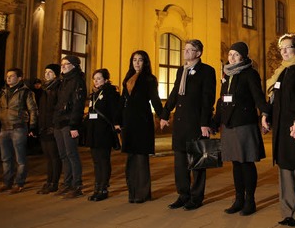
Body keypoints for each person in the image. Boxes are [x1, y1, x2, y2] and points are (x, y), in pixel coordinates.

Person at [262, 34, 295, 227]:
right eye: (281, 48)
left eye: (287, 47)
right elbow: (275, 97)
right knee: (285, 167)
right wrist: (266, 115)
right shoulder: (282, 71)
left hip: (294, 125)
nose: (283, 51)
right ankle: (288, 211)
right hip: (282, 126)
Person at [160, 39, 216, 211]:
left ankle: (196, 196)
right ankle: (183, 195)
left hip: (196, 123)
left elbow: (208, 99)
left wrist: (205, 123)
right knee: (180, 163)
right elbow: (174, 93)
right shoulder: (181, 71)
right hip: (180, 123)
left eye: (189, 50)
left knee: (197, 162)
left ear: (198, 53)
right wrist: (165, 114)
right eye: (185, 49)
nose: (185, 52)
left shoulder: (206, 71)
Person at [215, 42, 267, 216]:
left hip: (244, 123)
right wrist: (215, 121)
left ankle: (250, 201)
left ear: (243, 57)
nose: (232, 57)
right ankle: (238, 199)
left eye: (236, 54)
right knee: (236, 164)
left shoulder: (249, 74)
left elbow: (258, 97)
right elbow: (222, 101)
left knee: (246, 163)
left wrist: (266, 114)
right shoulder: (227, 75)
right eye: (230, 54)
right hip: (229, 124)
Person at [119, 50, 164, 203]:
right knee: (130, 158)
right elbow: (122, 100)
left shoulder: (150, 79)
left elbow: (155, 99)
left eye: (140, 60)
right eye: (134, 60)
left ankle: (143, 193)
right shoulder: (127, 78)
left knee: (141, 158)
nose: (137, 63)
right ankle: (132, 192)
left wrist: (162, 115)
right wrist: (117, 120)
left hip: (142, 121)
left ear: (145, 62)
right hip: (129, 121)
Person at [0, 68, 38, 193]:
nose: (8, 78)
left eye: (11, 76)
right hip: (4, 128)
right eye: (7, 76)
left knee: (20, 159)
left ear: (19, 78)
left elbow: (33, 110)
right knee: (6, 158)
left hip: (18, 128)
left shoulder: (26, 92)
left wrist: (32, 126)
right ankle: (6, 182)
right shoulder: (2, 92)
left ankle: (19, 183)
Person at [84, 68, 120, 201]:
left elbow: (115, 111)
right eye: (94, 79)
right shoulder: (93, 95)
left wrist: (117, 123)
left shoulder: (111, 93)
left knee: (103, 160)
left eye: (99, 78)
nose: (96, 81)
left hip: (104, 132)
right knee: (96, 161)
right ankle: (97, 187)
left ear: (105, 80)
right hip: (94, 131)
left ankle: (103, 188)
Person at [53, 55, 86, 198]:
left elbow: (78, 105)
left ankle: (76, 185)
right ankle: (67, 183)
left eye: (66, 64)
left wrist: (74, 125)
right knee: (63, 155)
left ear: (74, 65)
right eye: (62, 64)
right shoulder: (63, 81)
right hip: (59, 123)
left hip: (69, 123)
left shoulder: (77, 81)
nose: (63, 66)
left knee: (72, 154)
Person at [36, 64, 62, 194]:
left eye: (50, 72)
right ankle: (48, 181)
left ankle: (54, 182)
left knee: (54, 156)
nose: (46, 74)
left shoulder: (57, 88)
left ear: (56, 74)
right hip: (44, 126)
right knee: (48, 156)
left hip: (52, 126)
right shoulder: (45, 89)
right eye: (46, 72)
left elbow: (56, 109)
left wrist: (53, 125)